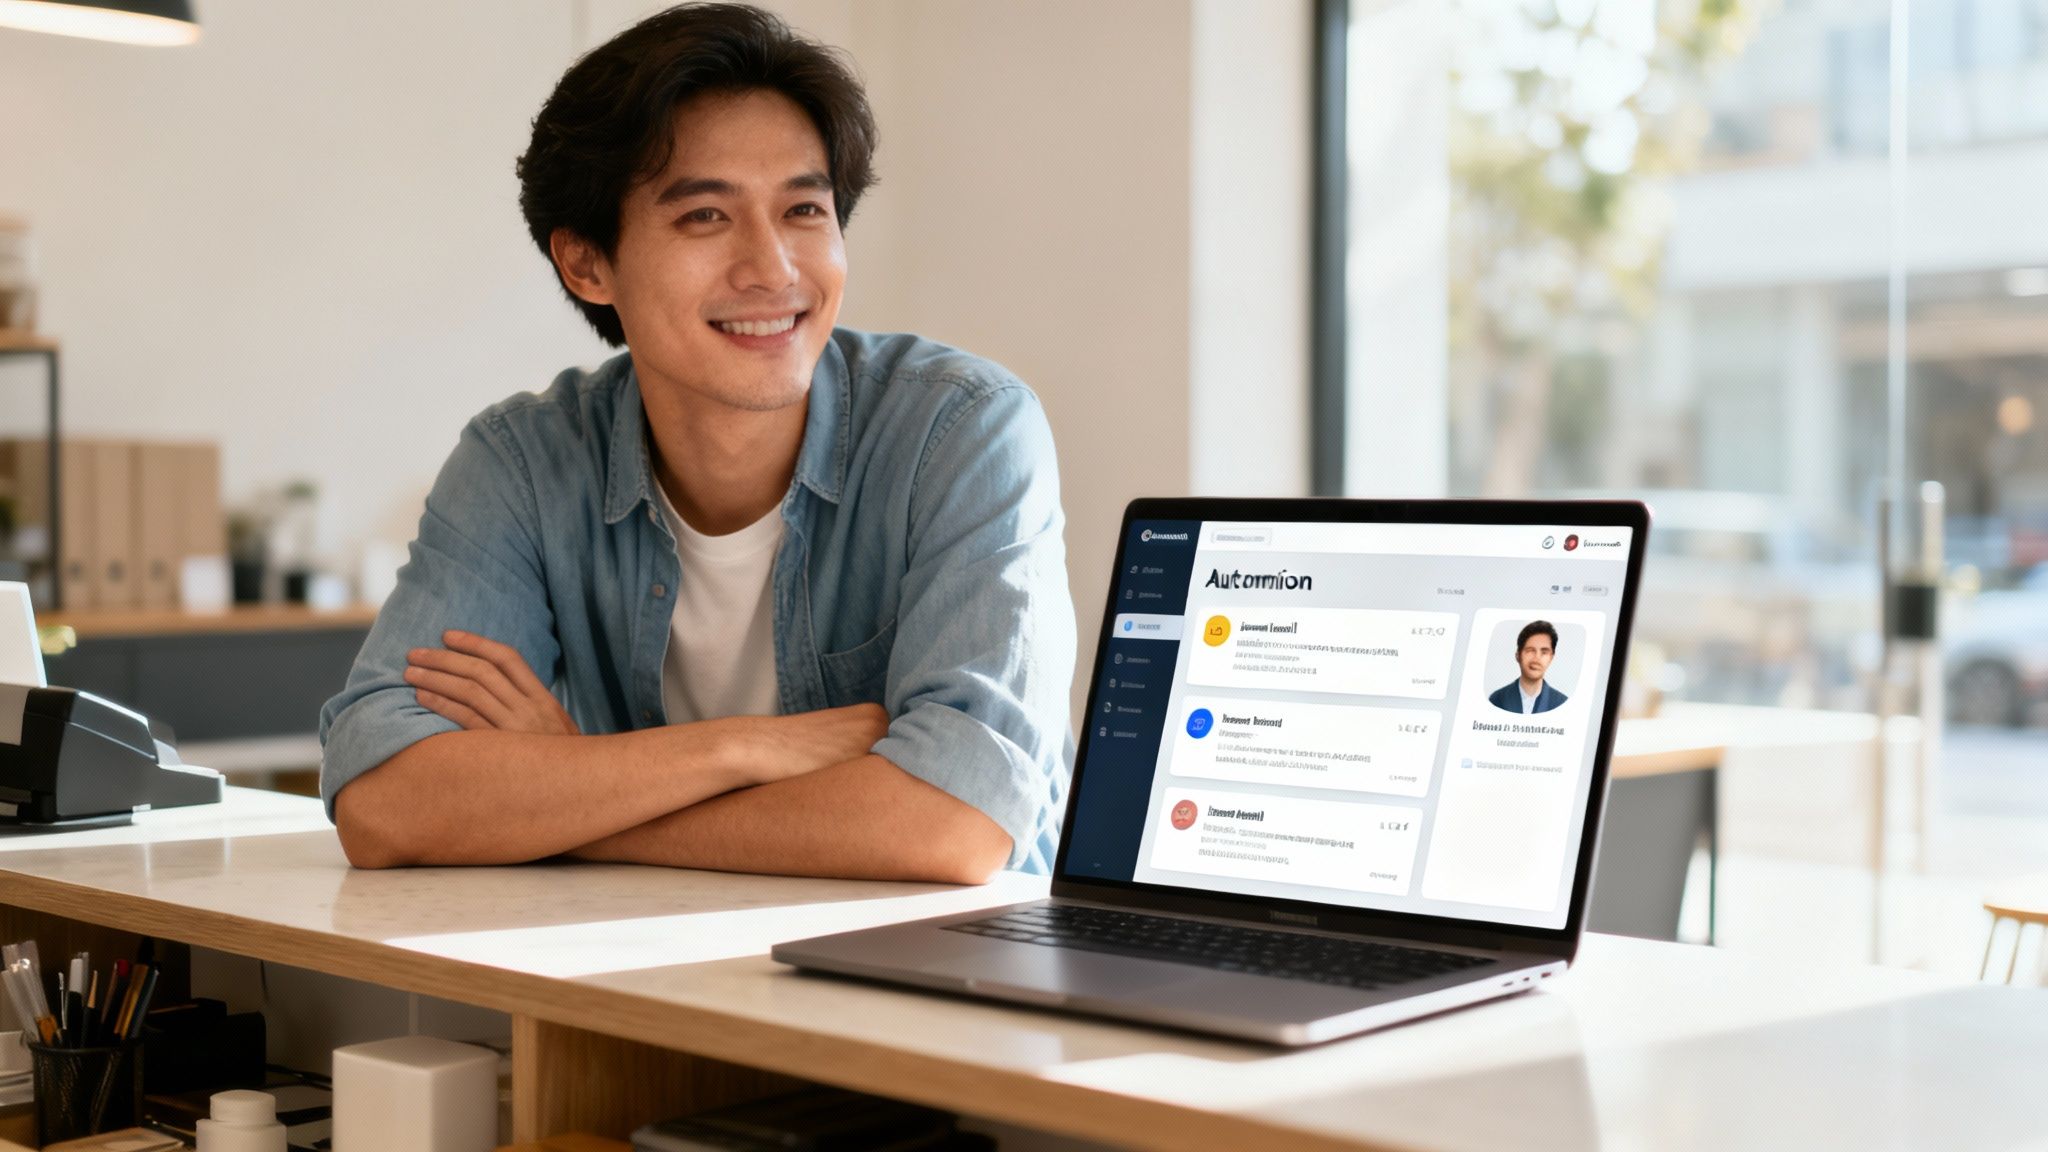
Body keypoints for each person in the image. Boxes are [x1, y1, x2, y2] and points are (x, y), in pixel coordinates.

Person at [317, 3, 1074, 884]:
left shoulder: (964, 430)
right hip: (656, 955)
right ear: (587, 263)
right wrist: (742, 749)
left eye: (804, 209)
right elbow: (385, 801)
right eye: (706, 216)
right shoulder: (523, 462)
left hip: (945, 962)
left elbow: (952, 826)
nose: (773, 269)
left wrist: (569, 794)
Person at [1488, 621, 1568, 715]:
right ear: (1518, 655)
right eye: (1530, 651)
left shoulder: (1562, 704)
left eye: (1544, 652)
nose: (1536, 658)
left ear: (1551, 658)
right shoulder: (1497, 700)